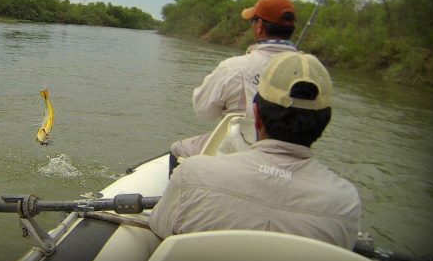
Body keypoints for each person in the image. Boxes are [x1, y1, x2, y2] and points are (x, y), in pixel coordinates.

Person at [151, 52, 362, 250]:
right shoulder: (345, 202)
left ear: (257, 116)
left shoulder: (193, 171)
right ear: (325, 122)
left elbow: (159, 229)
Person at [170, 0, 299, 164]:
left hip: (240, 152)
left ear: (259, 25)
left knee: (177, 149)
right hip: (290, 158)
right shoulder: (310, 71)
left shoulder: (234, 67)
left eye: (253, 20)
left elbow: (203, 111)